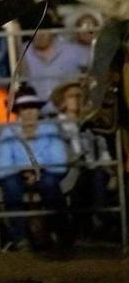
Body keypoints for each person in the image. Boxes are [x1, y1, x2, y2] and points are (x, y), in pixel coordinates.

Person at [0, 85, 69, 249]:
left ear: (38, 110)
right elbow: (2, 167)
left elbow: (60, 161)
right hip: (18, 175)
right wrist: (23, 170)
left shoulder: (50, 130)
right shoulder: (9, 132)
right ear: (18, 111)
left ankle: (60, 232)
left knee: (50, 184)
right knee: (11, 185)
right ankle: (20, 237)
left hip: (46, 172)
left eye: (32, 107)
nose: (29, 112)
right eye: (24, 108)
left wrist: (38, 169)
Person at [51, 80, 112, 234]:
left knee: (99, 174)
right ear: (62, 102)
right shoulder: (55, 127)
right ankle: (98, 221)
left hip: (90, 171)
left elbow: (102, 148)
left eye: (80, 95)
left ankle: (100, 222)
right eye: (72, 96)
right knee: (94, 176)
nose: (78, 99)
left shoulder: (90, 126)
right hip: (68, 174)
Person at [22, 18, 89, 113]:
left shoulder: (72, 51)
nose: (40, 35)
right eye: (36, 31)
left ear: (53, 32)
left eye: (45, 31)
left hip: (67, 115)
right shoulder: (23, 52)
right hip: (37, 117)